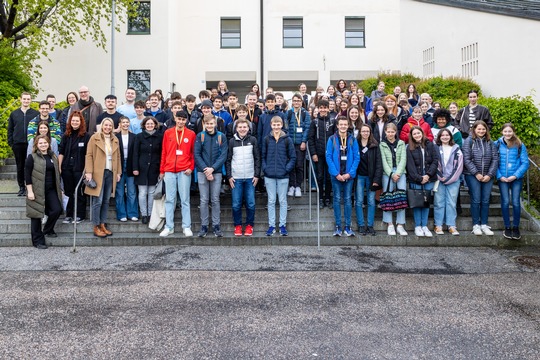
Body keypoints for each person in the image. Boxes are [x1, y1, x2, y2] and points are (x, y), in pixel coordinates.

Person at [159, 110, 196, 237]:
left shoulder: (191, 134)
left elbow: (193, 153)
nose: (180, 122)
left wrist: (191, 167)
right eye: (179, 119)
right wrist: (162, 170)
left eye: (183, 120)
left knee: (185, 200)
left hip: (184, 170)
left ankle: (186, 226)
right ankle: (169, 227)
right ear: (175, 119)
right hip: (169, 170)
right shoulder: (168, 132)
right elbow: (164, 152)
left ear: (186, 121)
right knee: (169, 199)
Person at [85, 118, 122, 238]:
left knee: (106, 201)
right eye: (105, 125)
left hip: (110, 172)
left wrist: (118, 172)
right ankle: (96, 226)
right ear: (102, 126)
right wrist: (89, 172)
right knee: (98, 201)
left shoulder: (115, 139)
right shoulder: (94, 138)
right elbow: (89, 155)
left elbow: (118, 157)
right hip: (98, 172)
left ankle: (102, 224)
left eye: (110, 125)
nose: (107, 127)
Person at [25, 135, 63, 249]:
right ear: (36, 145)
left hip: (51, 189)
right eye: (40, 143)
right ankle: (38, 241)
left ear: (49, 144)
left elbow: (57, 175)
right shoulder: (32, 157)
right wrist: (30, 191)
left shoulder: (53, 156)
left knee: (57, 210)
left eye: (45, 143)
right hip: (36, 190)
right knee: (36, 215)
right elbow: (27, 175)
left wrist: (60, 188)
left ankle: (47, 229)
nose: (43, 145)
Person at [462, 120, 499, 236]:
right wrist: (476, 173)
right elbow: (466, 159)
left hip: (488, 175)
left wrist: (489, 174)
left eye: (483, 129)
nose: (481, 131)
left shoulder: (490, 142)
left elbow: (495, 159)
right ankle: (476, 225)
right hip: (472, 175)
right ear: (474, 129)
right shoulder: (469, 141)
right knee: (476, 199)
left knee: (485, 200)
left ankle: (484, 224)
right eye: (479, 129)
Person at [194, 115, 228, 237]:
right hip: (202, 172)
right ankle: (204, 226)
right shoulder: (200, 136)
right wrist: (206, 170)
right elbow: (196, 154)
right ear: (204, 124)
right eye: (207, 124)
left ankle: (216, 225)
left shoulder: (221, 136)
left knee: (215, 199)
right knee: (203, 200)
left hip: (216, 172)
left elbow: (223, 155)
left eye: (211, 123)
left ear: (215, 124)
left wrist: (212, 169)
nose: (209, 126)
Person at [262, 116, 296, 236]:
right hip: (269, 175)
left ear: (282, 125)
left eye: (278, 125)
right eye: (274, 125)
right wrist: (265, 169)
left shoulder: (287, 139)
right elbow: (263, 156)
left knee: (282, 200)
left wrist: (286, 169)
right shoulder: (267, 139)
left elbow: (293, 157)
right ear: (271, 125)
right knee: (271, 201)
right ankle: (271, 225)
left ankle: (282, 225)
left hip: (283, 175)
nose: (276, 127)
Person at [226, 118, 260, 236]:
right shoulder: (231, 141)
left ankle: (250, 225)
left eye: (244, 127)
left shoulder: (253, 140)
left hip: (250, 177)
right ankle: (238, 225)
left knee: (251, 203)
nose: (242, 129)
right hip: (236, 178)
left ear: (248, 128)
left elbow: (257, 158)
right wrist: (229, 176)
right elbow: (228, 160)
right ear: (236, 128)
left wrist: (256, 175)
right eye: (240, 127)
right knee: (236, 204)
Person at [326, 116, 360, 236]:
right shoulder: (332, 139)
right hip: (336, 176)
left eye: (345, 124)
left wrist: (349, 174)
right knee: (336, 199)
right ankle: (338, 226)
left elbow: (357, 157)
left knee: (347, 200)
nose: (343, 126)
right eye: (341, 124)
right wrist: (336, 173)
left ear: (348, 125)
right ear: (337, 125)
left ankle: (348, 226)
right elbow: (328, 157)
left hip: (348, 176)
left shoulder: (352, 139)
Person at [495, 123, 529, 240]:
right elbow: (493, 161)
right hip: (503, 179)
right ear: (502, 132)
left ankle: (515, 227)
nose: (507, 133)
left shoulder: (519, 145)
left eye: (510, 131)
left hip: (516, 179)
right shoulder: (497, 144)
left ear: (513, 132)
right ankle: (507, 227)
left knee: (515, 202)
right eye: (505, 131)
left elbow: (525, 163)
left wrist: (515, 176)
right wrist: (499, 176)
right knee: (505, 202)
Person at [407, 126, 438, 237]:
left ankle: (424, 226)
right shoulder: (409, 147)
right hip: (416, 179)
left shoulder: (430, 145)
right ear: (412, 136)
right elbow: (410, 166)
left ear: (422, 133)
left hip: (429, 178)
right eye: (414, 134)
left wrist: (428, 175)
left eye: (418, 133)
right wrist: (419, 178)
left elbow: (435, 160)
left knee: (425, 203)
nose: (417, 135)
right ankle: (417, 226)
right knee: (417, 203)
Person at [58, 111, 90, 224]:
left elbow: (88, 154)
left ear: (81, 122)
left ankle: (80, 215)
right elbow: (61, 152)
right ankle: (69, 215)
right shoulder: (66, 136)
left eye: (77, 121)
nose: (75, 122)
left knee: (80, 192)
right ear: (70, 122)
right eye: (73, 121)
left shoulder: (86, 136)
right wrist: (59, 167)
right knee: (68, 191)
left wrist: (86, 170)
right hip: (67, 168)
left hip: (79, 168)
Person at [379, 123, 408, 236]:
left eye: (392, 132)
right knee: (388, 197)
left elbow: (403, 159)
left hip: (400, 173)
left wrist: (398, 173)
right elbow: (383, 161)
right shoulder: (382, 144)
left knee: (401, 197)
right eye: (388, 132)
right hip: (388, 173)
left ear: (396, 132)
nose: (390, 134)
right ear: (385, 132)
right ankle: (390, 223)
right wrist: (391, 174)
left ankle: (400, 224)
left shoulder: (401, 143)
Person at [132, 116, 162, 225]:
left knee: (151, 192)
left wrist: (161, 169)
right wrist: (135, 168)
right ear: (144, 125)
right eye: (147, 124)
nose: (150, 126)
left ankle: (150, 214)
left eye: (152, 124)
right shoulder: (139, 137)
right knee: (142, 193)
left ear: (155, 125)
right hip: (141, 168)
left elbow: (162, 153)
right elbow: (135, 153)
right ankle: (144, 214)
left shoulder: (160, 136)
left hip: (154, 168)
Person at [433, 128, 463, 236]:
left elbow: (459, 166)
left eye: (447, 135)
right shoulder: (436, 148)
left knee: (451, 203)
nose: (445, 137)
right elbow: (434, 164)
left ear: (450, 136)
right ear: (439, 137)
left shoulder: (456, 148)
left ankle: (451, 225)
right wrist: (441, 177)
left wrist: (450, 178)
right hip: (439, 180)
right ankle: (438, 225)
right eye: (442, 135)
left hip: (454, 180)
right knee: (438, 202)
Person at [355, 124, 382, 236]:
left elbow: (379, 164)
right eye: (363, 131)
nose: (365, 133)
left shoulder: (375, 145)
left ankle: (370, 225)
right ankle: (361, 225)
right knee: (359, 201)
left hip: (371, 177)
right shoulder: (355, 144)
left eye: (367, 131)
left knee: (371, 202)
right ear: (360, 132)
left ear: (370, 133)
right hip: (360, 177)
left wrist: (376, 179)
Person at [308, 100, 335, 208]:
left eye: (325, 107)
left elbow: (335, 138)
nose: (323, 110)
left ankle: (328, 197)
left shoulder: (333, 121)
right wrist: (313, 153)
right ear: (318, 109)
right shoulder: (314, 122)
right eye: (321, 108)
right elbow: (310, 138)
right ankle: (320, 198)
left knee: (329, 177)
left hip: (330, 155)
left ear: (328, 108)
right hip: (318, 154)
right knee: (319, 176)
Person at [286, 93, 311, 198]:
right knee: (291, 165)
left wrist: (304, 141)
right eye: (295, 100)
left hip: (301, 144)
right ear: (292, 102)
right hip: (290, 144)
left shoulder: (305, 114)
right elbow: (286, 128)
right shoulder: (288, 113)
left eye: (298, 101)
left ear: (301, 102)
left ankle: (298, 186)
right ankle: (291, 185)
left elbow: (307, 128)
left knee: (299, 166)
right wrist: (288, 142)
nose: (296, 102)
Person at [115, 116, 139, 222]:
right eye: (123, 122)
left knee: (132, 191)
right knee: (119, 192)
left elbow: (136, 154)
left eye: (127, 122)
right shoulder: (115, 137)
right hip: (119, 166)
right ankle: (121, 214)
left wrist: (135, 167)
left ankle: (132, 213)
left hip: (130, 165)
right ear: (119, 124)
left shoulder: (134, 137)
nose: (125, 124)